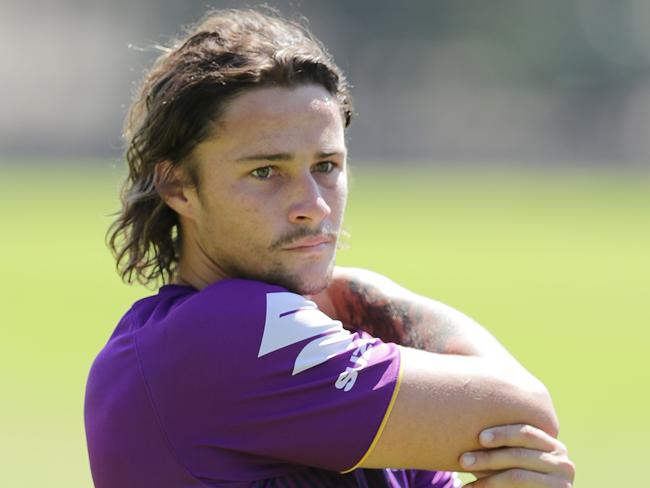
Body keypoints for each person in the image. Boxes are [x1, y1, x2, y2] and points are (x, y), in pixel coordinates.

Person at [84, 8, 575, 488]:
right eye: (264, 172)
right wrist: (366, 289)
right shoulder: (218, 331)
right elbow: (525, 410)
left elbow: (523, 444)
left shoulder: (316, 346)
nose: (313, 206)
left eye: (326, 166)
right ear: (177, 188)